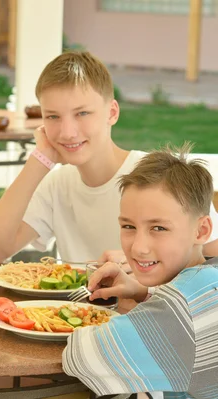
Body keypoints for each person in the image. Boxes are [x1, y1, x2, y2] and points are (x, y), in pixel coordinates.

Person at [0, 51, 218, 265]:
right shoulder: (57, 186)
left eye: (82, 113)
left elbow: (211, 255)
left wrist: (139, 263)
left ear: (111, 113)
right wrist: (40, 161)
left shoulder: (159, 177)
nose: (67, 132)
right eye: (53, 117)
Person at [63, 143, 218, 398]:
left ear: (201, 231)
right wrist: (144, 292)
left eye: (158, 228)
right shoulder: (208, 277)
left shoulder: (180, 306)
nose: (139, 247)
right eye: (128, 226)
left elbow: (81, 357)